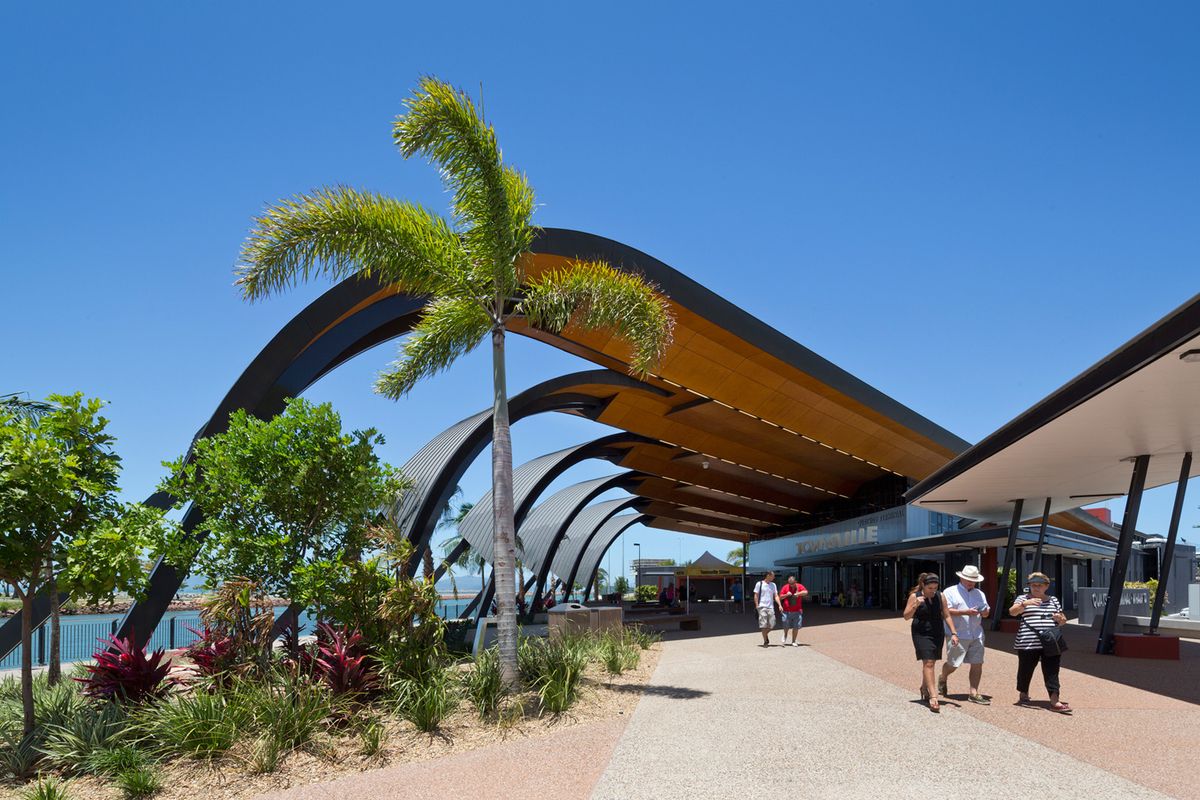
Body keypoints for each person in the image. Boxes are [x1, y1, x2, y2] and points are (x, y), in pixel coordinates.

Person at [1010, 572, 1071, 713]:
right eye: (1033, 585)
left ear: (1046, 586)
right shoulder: (1022, 598)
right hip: (1027, 641)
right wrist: (1025, 604)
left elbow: (1063, 620)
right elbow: (1012, 612)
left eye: (1039, 585)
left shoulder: (1053, 600)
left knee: (1052, 671)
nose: (1036, 588)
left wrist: (1059, 619)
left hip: (1051, 642)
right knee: (1025, 669)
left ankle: (1054, 700)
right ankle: (1023, 692)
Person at [904, 572, 959, 712]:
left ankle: (924, 687)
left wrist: (954, 633)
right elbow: (906, 616)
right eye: (930, 588)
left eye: (935, 588)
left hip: (937, 631)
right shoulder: (914, 597)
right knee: (928, 662)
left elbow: (946, 614)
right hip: (921, 632)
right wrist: (915, 605)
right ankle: (933, 696)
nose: (933, 591)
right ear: (923, 585)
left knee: (932, 662)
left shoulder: (940, 596)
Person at [939, 565, 991, 704]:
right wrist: (965, 612)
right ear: (961, 577)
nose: (970, 582)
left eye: (973, 580)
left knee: (977, 663)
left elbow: (986, 612)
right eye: (968, 579)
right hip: (957, 633)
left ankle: (973, 692)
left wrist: (984, 611)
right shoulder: (949, 592)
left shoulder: (979, 593)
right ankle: (943, 677)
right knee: (953, 664)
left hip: (977, 634)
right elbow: (946, 611)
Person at [753, 570, 782, 647]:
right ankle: (765, 640)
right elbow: (756, 595)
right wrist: (757, 605)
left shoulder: (773, 585)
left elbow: (776, 596)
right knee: (763, 625)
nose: (774, 577)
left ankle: (765, 634)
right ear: (768, 575)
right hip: (762, 607)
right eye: (773, 576)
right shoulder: (759, 584)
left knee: (772, 624)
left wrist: (779, 605)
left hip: (771, 607)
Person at [778, 574, 808, 646]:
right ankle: (785, 635)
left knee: (796, 626)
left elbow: (806, 592)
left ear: (795, 582)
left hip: (797, 611)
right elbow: (780, 597)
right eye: (789, 583)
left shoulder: (799, 586)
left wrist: (798, 593)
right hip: (786, 611)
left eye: (792, 583)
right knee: (785, 624)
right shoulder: (785, 587)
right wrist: (786, 595)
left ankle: (793, 641)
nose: (791, 585)